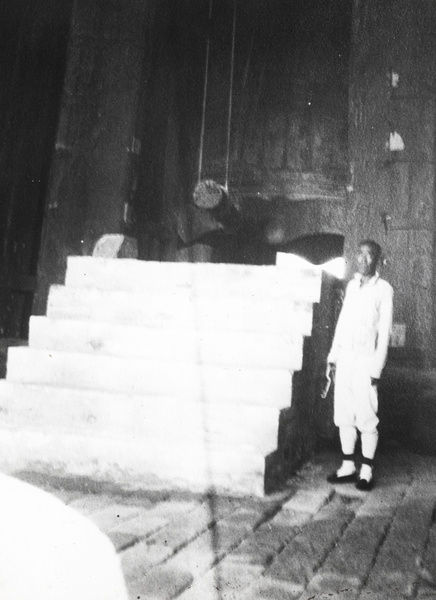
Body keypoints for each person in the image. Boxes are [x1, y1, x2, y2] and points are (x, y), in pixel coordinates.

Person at [326, 239, 393, 491]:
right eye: (360, 254)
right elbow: (342, 324)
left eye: (370, 255)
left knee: (365, 415)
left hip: (366, 360)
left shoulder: (384, 289)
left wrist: (376, 369)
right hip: (345, 359)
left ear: (377, 260)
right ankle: (347, 466)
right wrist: (333, 357)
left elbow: (384, 333)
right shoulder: (352, 286)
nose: (364, 259)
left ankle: (366, 470)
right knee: (343, 413)